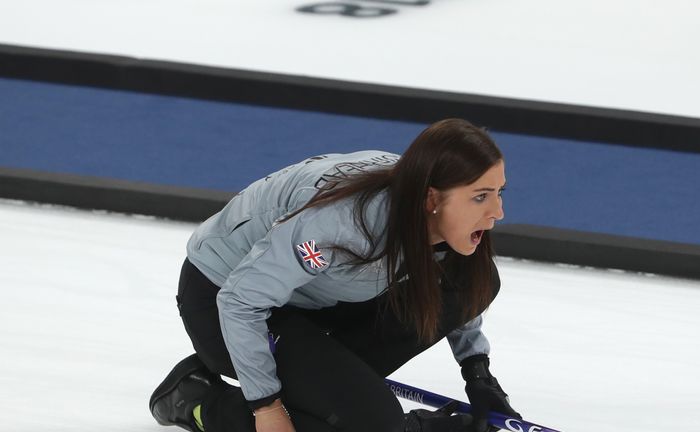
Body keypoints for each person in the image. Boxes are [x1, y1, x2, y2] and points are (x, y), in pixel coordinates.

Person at [149, 118, 522, 432]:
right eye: (480, 196)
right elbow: (240, 300)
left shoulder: (422, 206)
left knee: (479, 280)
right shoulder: (341, 225)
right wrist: (265, 405)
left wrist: (478, 372)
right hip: (223, 301)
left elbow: (456, 290)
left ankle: (330, 386)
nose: (497, 212)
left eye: (498, 193)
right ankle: (196, 397)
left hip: (311, 296)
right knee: (373, 423)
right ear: (432, 200)